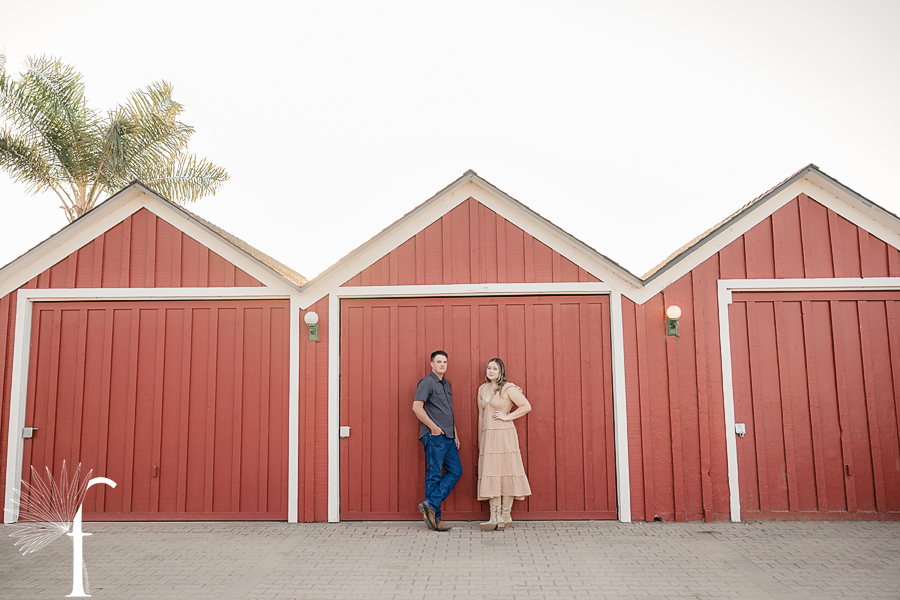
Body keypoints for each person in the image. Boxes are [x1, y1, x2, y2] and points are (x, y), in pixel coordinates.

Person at [477, 357, 532, 531]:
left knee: (507, 471)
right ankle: (495, 516)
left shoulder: (508, 387)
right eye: (489, 368)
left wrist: (507, 417)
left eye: (495, 368)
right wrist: (480, 439)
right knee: (491, 472)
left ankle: (505, 514)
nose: (491, 371)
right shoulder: (482, 389)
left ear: (501, 371)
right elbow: (481, 415)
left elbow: (526, 406)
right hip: (489, 436)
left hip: (504, 434)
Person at [412, 350, 461, 532]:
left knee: (456, 471)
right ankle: (436, 519)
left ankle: (431, 504)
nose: (442, 364)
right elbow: (417, 407)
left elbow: (448, 411)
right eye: (439, 361)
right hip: (435, 436)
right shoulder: (427, 382)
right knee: (434, 475)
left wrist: (455, 433)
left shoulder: (446, 384)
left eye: (445, 362)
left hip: (448, 436)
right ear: (432, 364)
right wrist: (433, 428)